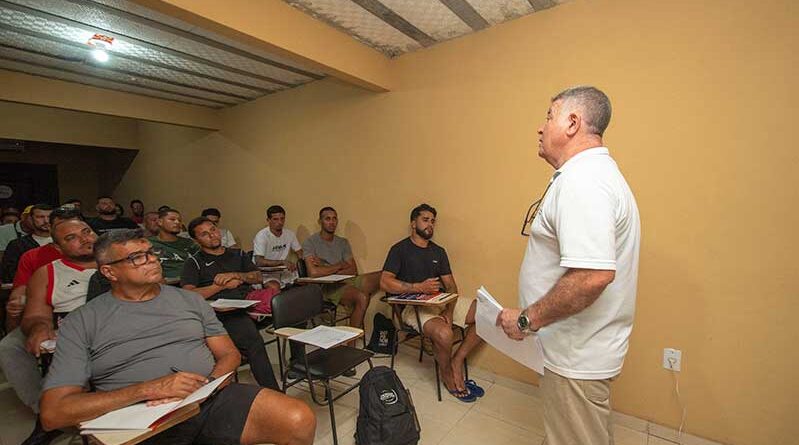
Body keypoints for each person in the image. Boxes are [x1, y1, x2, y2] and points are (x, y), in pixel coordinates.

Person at [39, 230, 316, 445]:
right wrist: (146, 390)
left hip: (207, 399)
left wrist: (208, 385)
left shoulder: (190, 301)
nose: (151, 260)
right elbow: (54, 413)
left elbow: (229, 354)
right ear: (109, 271)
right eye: (136, 257)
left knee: (297, 418)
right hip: (138, 414)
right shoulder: (82, 321)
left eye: (151, 253)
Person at [496, 86, 640, 445]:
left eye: (549, 116)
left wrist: (526, 320)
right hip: (576, 351)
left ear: (573, 123)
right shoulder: (588, 175)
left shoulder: (583, 181)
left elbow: (592, 276)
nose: (541, 127)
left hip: (575, 357)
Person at [0, 216, 97, 445]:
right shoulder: (47, 272)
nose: (85, 239)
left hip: (112, 326)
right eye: (71, 238)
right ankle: (46, 413)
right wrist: (39, 327)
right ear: (57, 247)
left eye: (86, 231)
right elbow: (36, 314)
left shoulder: (120, 260)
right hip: (66, 325)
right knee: (11, 346)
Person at [380, 203, 484, 402]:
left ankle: (456, 361)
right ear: (413, 223)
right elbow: (384, 282)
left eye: (433, 221)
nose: (430, 224)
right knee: (445, 334)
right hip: (414, 306)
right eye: (425, 220)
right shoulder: (399, 249)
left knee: (487, 314)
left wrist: (449, 311)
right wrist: (417, 287)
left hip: (441, 301)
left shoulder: (438, 251)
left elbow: (451, 286)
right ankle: (447, 374)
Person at [182, 217, 280, 390]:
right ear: (196, 241)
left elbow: (257, 277)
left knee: (292, 309)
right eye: (204, 234)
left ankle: (299, 363)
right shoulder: (194, 262)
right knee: (253, 341)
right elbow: (189, 294)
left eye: (213, 230)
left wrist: (236, 275)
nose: (212, 235)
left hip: (249, 303)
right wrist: (219, 286)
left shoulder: (238, 254)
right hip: (222, 312)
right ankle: (273, 392)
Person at [3, 208, 82, 332]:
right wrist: (17, 301)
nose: (71, 233)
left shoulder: (100, 253)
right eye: (63, 229)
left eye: (80, 230)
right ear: (51, 229)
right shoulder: (32, 256)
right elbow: (20, 290)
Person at [302, 207, 379, 332]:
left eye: (334, 219)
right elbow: (314, 272)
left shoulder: (342, 242)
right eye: (327, 219)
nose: (332, 222)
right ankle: (351, 340)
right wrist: (339, 265)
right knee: (363, 297)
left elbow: (353, 270)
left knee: (384, 276)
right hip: (327, 287)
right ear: (320, 221)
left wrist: (324, 266)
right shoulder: (310, 242)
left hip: (347, 281)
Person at [1, 204, 53, 283]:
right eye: (40, 217)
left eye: (49, 217)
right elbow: (9, 274)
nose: (46, 221)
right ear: (31, 219)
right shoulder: (17, 245)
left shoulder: (62, 242)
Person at [252, 205, 302, 287]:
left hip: (283, 272)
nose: (280, 222)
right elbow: (259, 261)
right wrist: (282, 262)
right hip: (265, 273)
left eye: (282, 219)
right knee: (275, 286)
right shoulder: (262, 236)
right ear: (268, 220)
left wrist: (308, 261)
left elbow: (300, 253)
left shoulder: (289, 234)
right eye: (275, 219)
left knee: (304, 282)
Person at [148, 208, 198, 281]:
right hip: (162, 284)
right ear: (160, 222)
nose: (177, 222)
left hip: (190, 281)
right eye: (172, 219)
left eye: (179, 220)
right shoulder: (148, 243)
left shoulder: (189, 243)